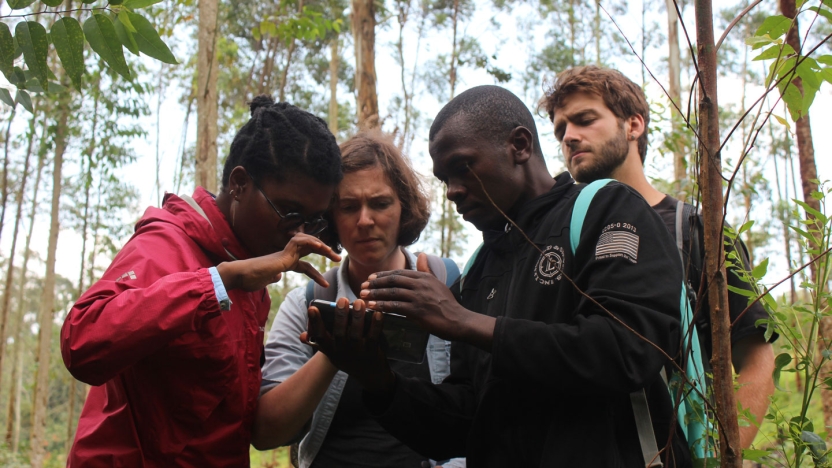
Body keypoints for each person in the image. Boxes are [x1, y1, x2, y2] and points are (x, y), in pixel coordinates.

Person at [306, 85, 694, 467]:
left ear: (520, 145)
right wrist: (377, 379)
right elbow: (464, 425)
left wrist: (463, 321)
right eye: (444, 179)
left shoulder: (604, 208)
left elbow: (628, 350)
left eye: (462, 167)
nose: (452, 192)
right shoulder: (478, 271)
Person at [60, 97, 343, 466]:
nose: (299, 234)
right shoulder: (165, 247)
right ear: (239, 183)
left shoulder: (248, 270)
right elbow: (82, 343)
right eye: (290, 214)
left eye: (313, 220)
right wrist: (218, 282)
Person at [539, 65, 776, 449]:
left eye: (584, 120)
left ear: (634, 125)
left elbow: (757, 356)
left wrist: (721, 454)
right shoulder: (557, 237)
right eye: (560, 129)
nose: (569, 137)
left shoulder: (696, 230)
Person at [253, 130, 465, 468]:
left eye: (380, 203)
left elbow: (487, 407)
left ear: (404, 208)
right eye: (348, 206)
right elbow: (266, 433)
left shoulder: (453, 285)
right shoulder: (307, 303)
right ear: (331, 218)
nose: (365, 221)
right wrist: (336, 350)